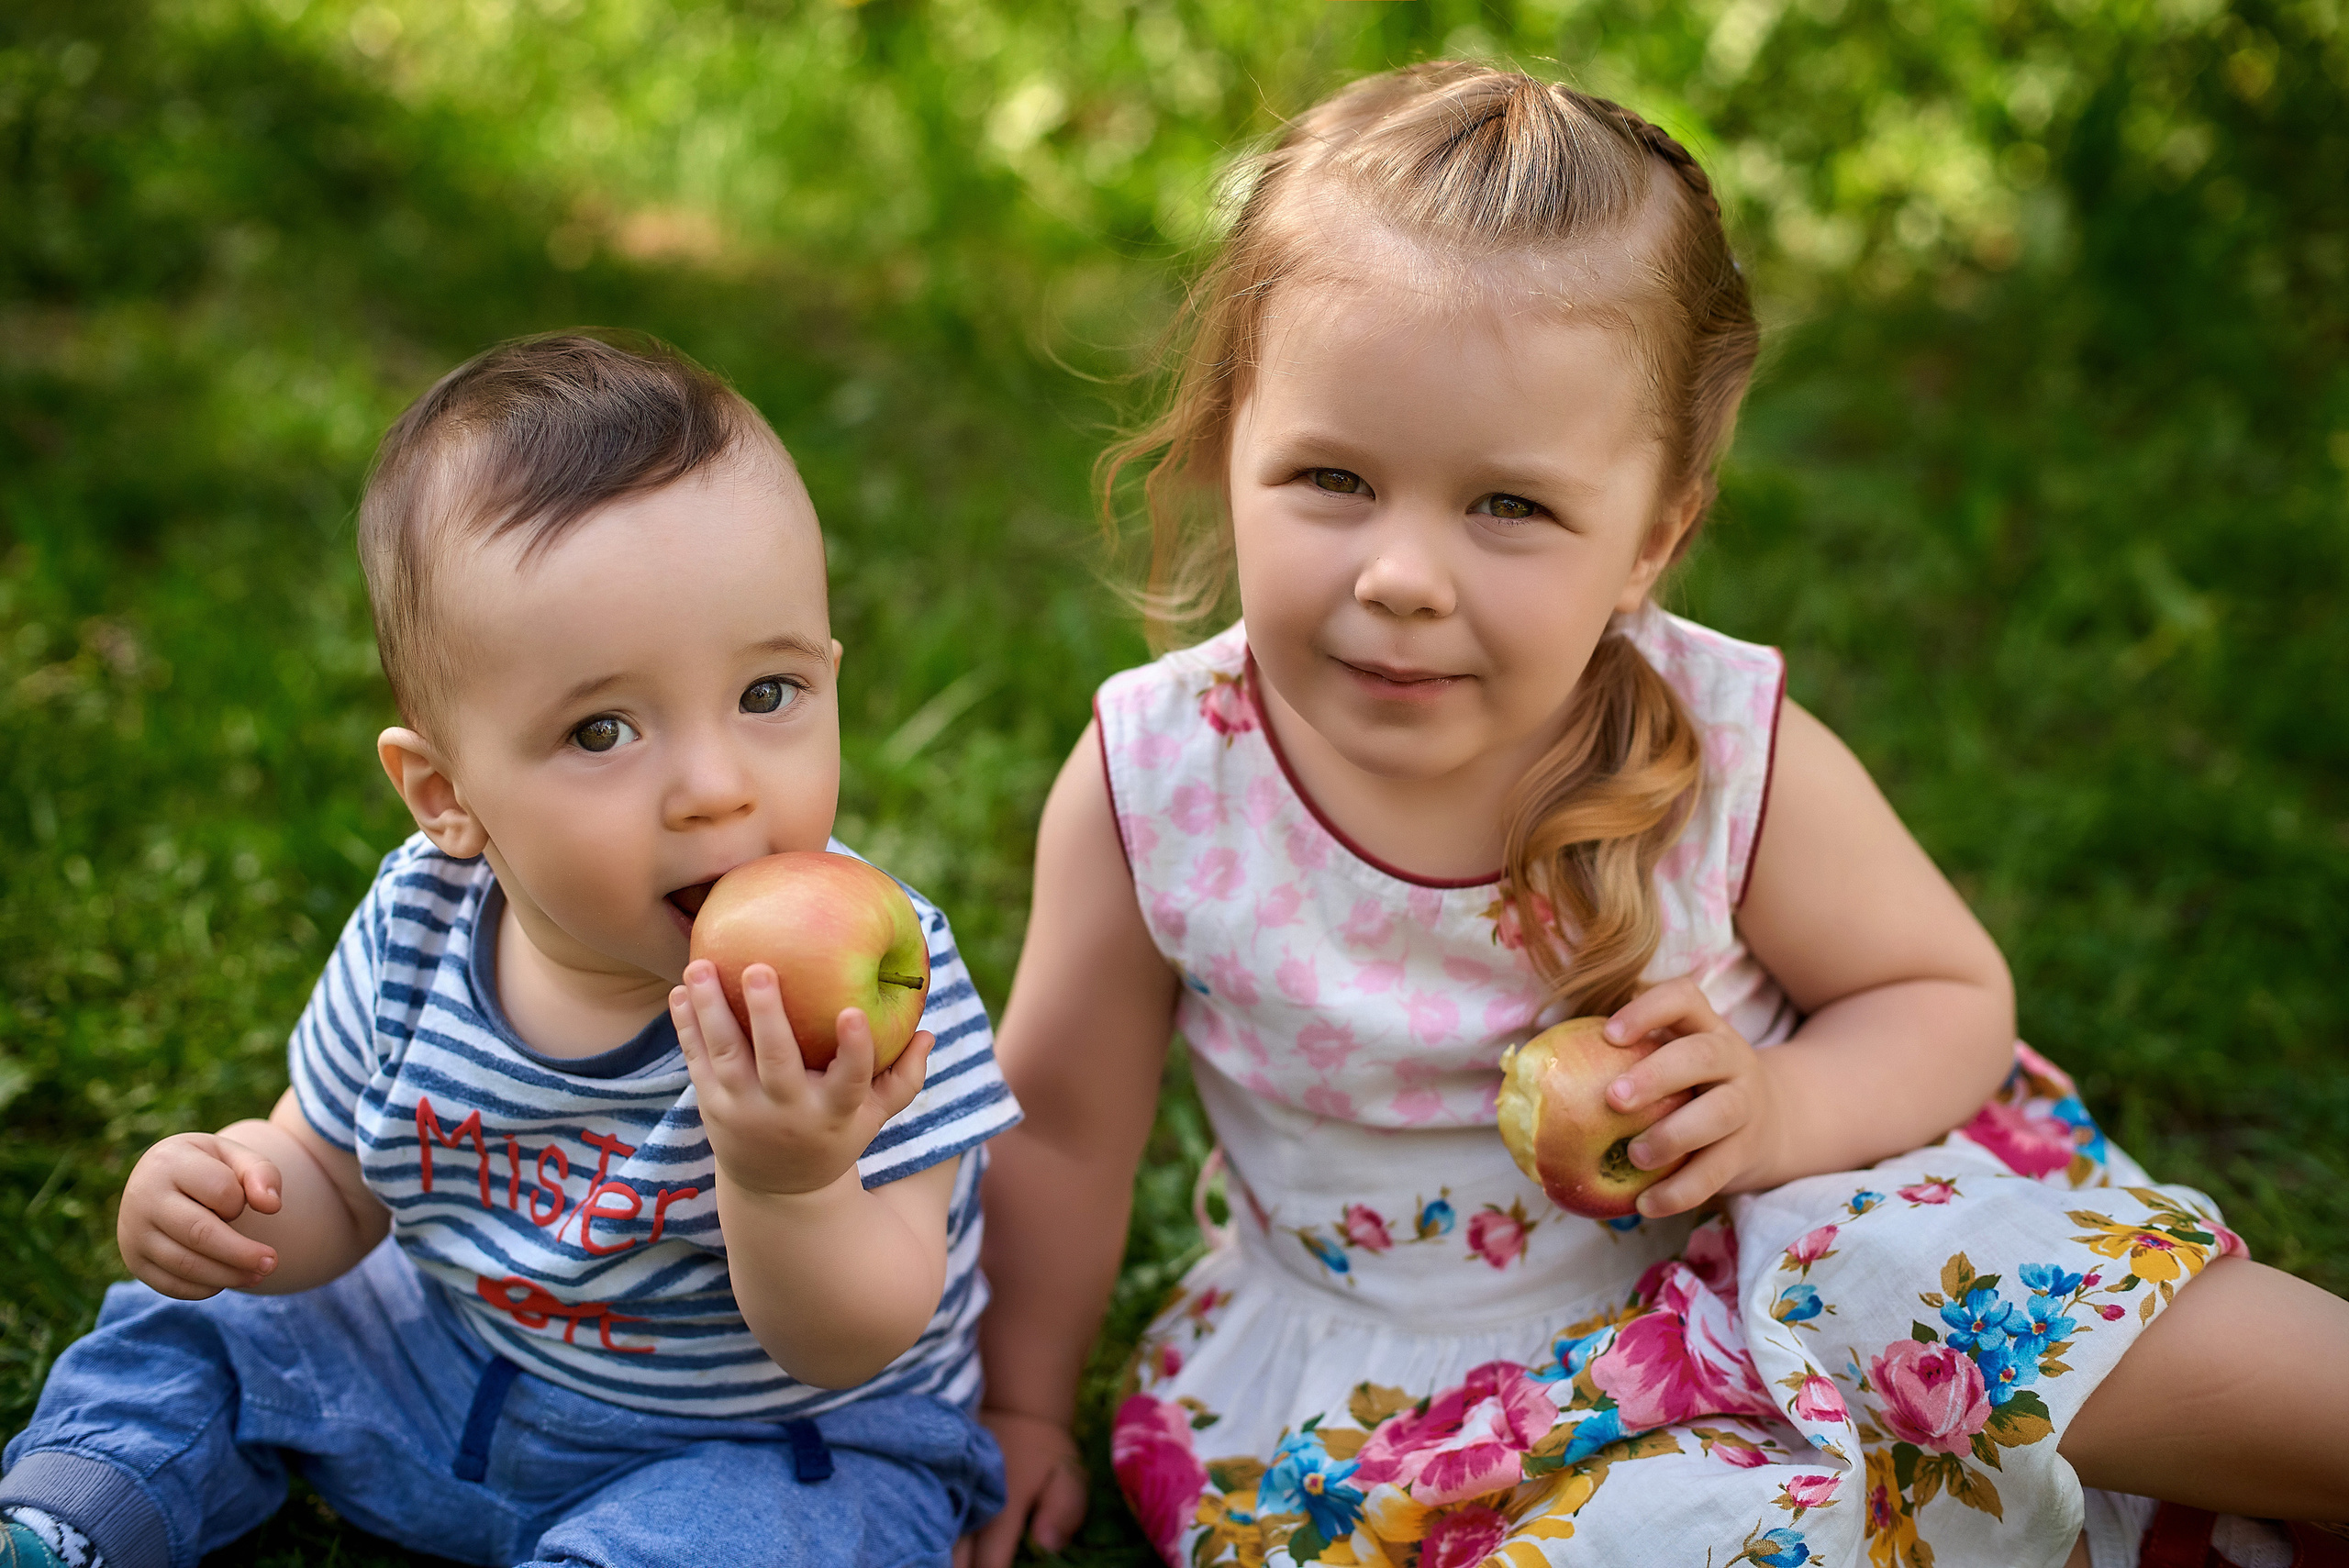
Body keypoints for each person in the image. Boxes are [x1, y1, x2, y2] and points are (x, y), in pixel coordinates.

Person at [968, 63, 2349, 1568]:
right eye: (1333, 478)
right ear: (1231, 449)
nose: (1403, 573)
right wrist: (1025, 1404)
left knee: (1982, 1294)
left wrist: (1780, 1110)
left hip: (1789, 1230)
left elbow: (1944, 992)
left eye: (1508, 506)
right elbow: (1060, 1136)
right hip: (1413, 1385)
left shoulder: (1720, 752)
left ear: (1654, 534)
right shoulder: (1159, 780)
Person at [0, 333, 1018, 1568]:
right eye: (604, 728)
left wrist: (788, 1180)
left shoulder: (879, 993)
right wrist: (235, 1202)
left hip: (769, 1440)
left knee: (765, 1537)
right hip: (452, 1365)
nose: (714, 787)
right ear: (445, 794)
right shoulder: (419, 925)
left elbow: (857, 1337)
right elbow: (335, 1174)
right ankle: (74, 1515)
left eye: (768, 695)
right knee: (201, 1322)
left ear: (830, 677)